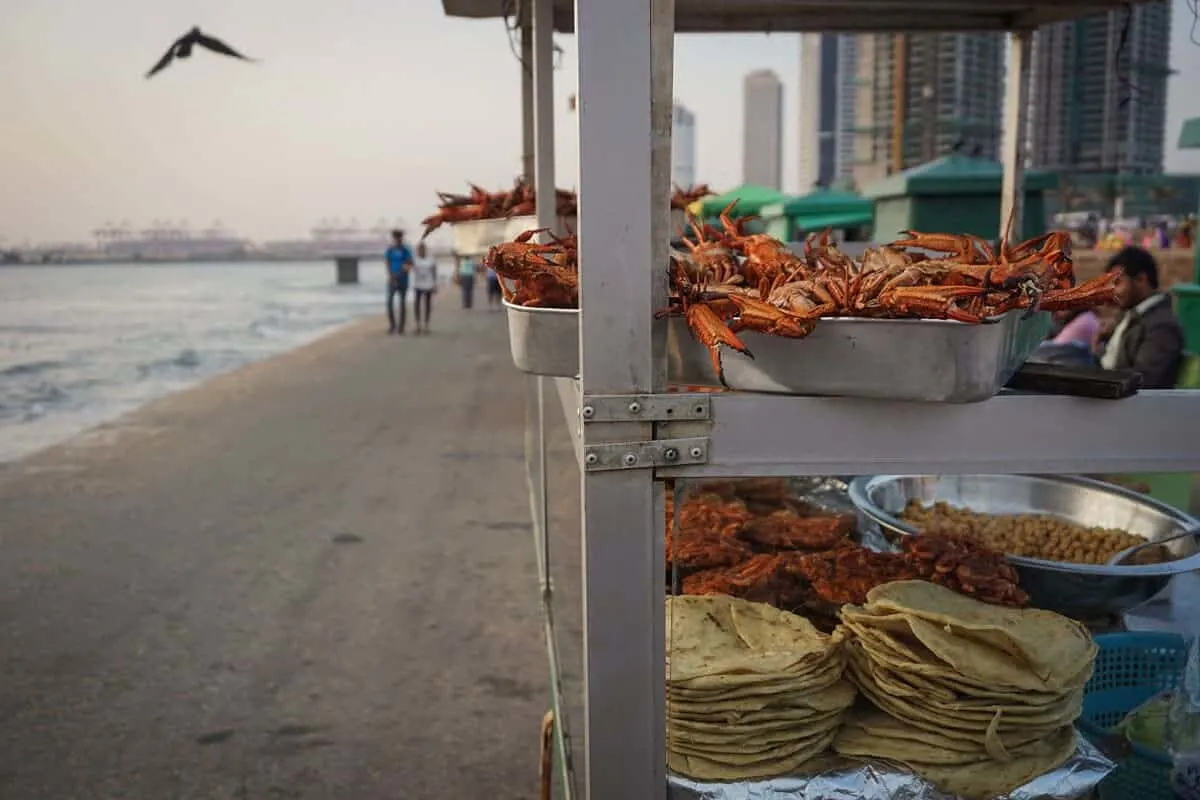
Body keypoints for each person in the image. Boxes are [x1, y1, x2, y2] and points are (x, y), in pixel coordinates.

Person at [1093, 246, 1185, 388]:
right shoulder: (1130, 316)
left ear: (1141, 280)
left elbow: (1144, 379)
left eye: (1117, 283)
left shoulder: (1161, 326)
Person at [385, 230, 413, 334]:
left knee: (402, 303)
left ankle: (401, 327)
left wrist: (401, 273)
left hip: (403, 280)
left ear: (401, 238)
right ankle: (392, 325)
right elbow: (387, 262)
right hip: (392, 280)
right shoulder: (390, 250)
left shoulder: (406, 250)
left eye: (399, 238)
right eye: (395, 238)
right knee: (389, 303)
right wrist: (391, 274)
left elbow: (409, 264)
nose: (397, 240)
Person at [410, 242, 437, 335]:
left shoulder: (431, 259)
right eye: (419, 250)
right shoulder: (415, 259)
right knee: (416, 305)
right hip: (418, 285)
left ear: (425, 250)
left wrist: (435, 284)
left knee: (427, 305)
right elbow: (408, 267)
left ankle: (426, 325)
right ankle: (418, 325)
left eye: (422, 249)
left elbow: (434, 272)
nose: (420, 251)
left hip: (428, 285)